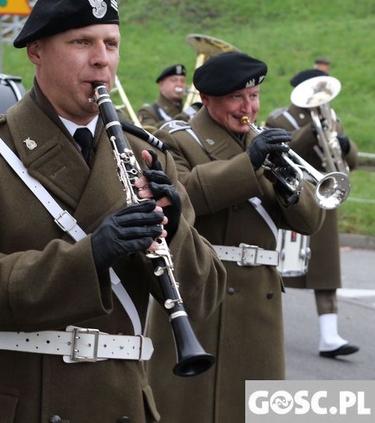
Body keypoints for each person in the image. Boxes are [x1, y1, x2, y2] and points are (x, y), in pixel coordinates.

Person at [0, 0, 226, 422]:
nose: (101, 59)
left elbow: (205, 298)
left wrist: (176, 231)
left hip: (119, 402)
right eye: (81, 42)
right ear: (37, 50)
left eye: (111, 43)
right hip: (15, 399)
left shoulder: (148, 154)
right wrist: (89, 257)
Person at [145, 52, 326, 422]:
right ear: (207, 98)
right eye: (236, 98)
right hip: (200, 288)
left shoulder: (263, 140)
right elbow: (184, 193)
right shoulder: (177, 138)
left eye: (255, 96)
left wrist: (290, 191)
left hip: (260, 298)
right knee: (184, 407)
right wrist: (250, 164)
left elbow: (312, 221)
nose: (249, 107)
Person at [265, 68, 359, 359]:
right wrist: (312, 131)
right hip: (293, 198)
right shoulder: (280, 118)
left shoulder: (332, 118)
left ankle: (329, 337)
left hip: (325, 200)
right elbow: (282, 150)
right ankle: (266, 329)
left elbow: (349, 163)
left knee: (327, 272)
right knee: (276, 271)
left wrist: (345, 145)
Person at [137, 64, 187, 133]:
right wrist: (181, 119)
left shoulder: (188, 109)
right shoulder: (148, 111)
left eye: (182, 81)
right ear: (161, 84)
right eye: (174, 80)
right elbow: (150, 132)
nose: (180, 85)